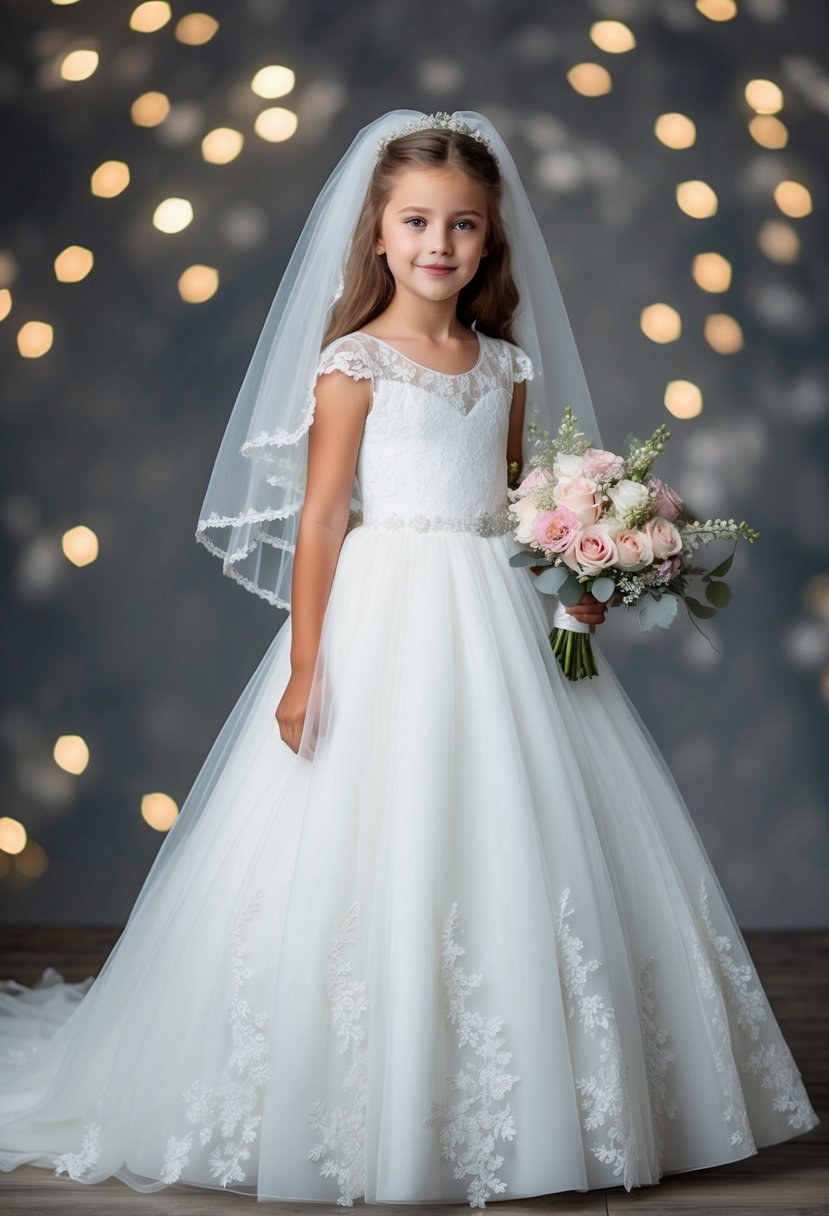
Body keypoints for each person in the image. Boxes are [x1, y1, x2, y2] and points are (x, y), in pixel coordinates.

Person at [0, 110, 819, 1208]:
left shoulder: (507, 365)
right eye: (418, 222)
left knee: (519, 833)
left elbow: (521, 500)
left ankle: (540, 1096)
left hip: (499, 622)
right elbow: (325, 520)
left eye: (462, 225)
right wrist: (302, 667)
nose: (440, 244)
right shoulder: (352, 365)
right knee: (372, 835)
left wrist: (586, 561)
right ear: (378, 236)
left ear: (490, 241)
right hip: (384, 618)